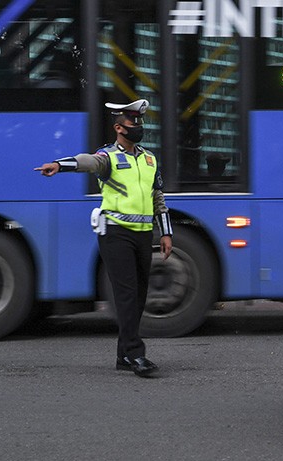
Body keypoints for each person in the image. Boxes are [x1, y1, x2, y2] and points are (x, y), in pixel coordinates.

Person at [34, 99, 173, 378]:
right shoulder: (108, 157)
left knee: (139, 296)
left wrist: (166, 232)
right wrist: (60, 165)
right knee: (126, 294)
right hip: (116, 233)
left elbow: (158, 197)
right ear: (118, 127)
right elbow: (88, 162)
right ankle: (136, 354)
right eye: (134, 123)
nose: (139, 127)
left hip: (144, 235)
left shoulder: (149, 159)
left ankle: (123, 354)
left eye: (140, 122)